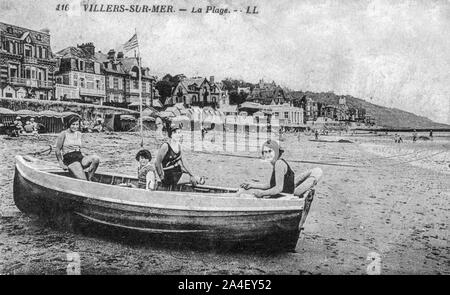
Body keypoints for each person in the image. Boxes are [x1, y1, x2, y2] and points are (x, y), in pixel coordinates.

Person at [239, 140, 322, 198]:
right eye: (265, 152)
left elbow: (278, 188)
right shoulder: (277, 164)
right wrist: (252, 185)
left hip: (286, 197)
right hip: (284, 195)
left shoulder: (279, 164)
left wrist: (262, 193)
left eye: (270, 151)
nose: (267, 154)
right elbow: (270, 185)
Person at [155, 123, 203, 189]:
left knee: (198, 179)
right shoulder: (165, 146)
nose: (177, 135)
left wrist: (192, 175)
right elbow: (157, 163)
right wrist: (161, 178)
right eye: (175, 133)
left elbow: (184, 162)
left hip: (178, 171)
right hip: (169, 174)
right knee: (196, 180)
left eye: (179, 133)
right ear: (171, 135)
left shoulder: (179, 146)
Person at [55, 115, 100, 181]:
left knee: (96, 158)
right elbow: (57, 149)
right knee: (83, 180)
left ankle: (90, 177)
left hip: (80, 157)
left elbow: (79, 147)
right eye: (73, 124)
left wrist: (85, 155)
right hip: (70, 160)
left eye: (77, 124)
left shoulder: (79, 134)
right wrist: (61, 163)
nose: (75, 126)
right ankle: (85, 181)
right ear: (69, 124)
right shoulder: (63, 134)